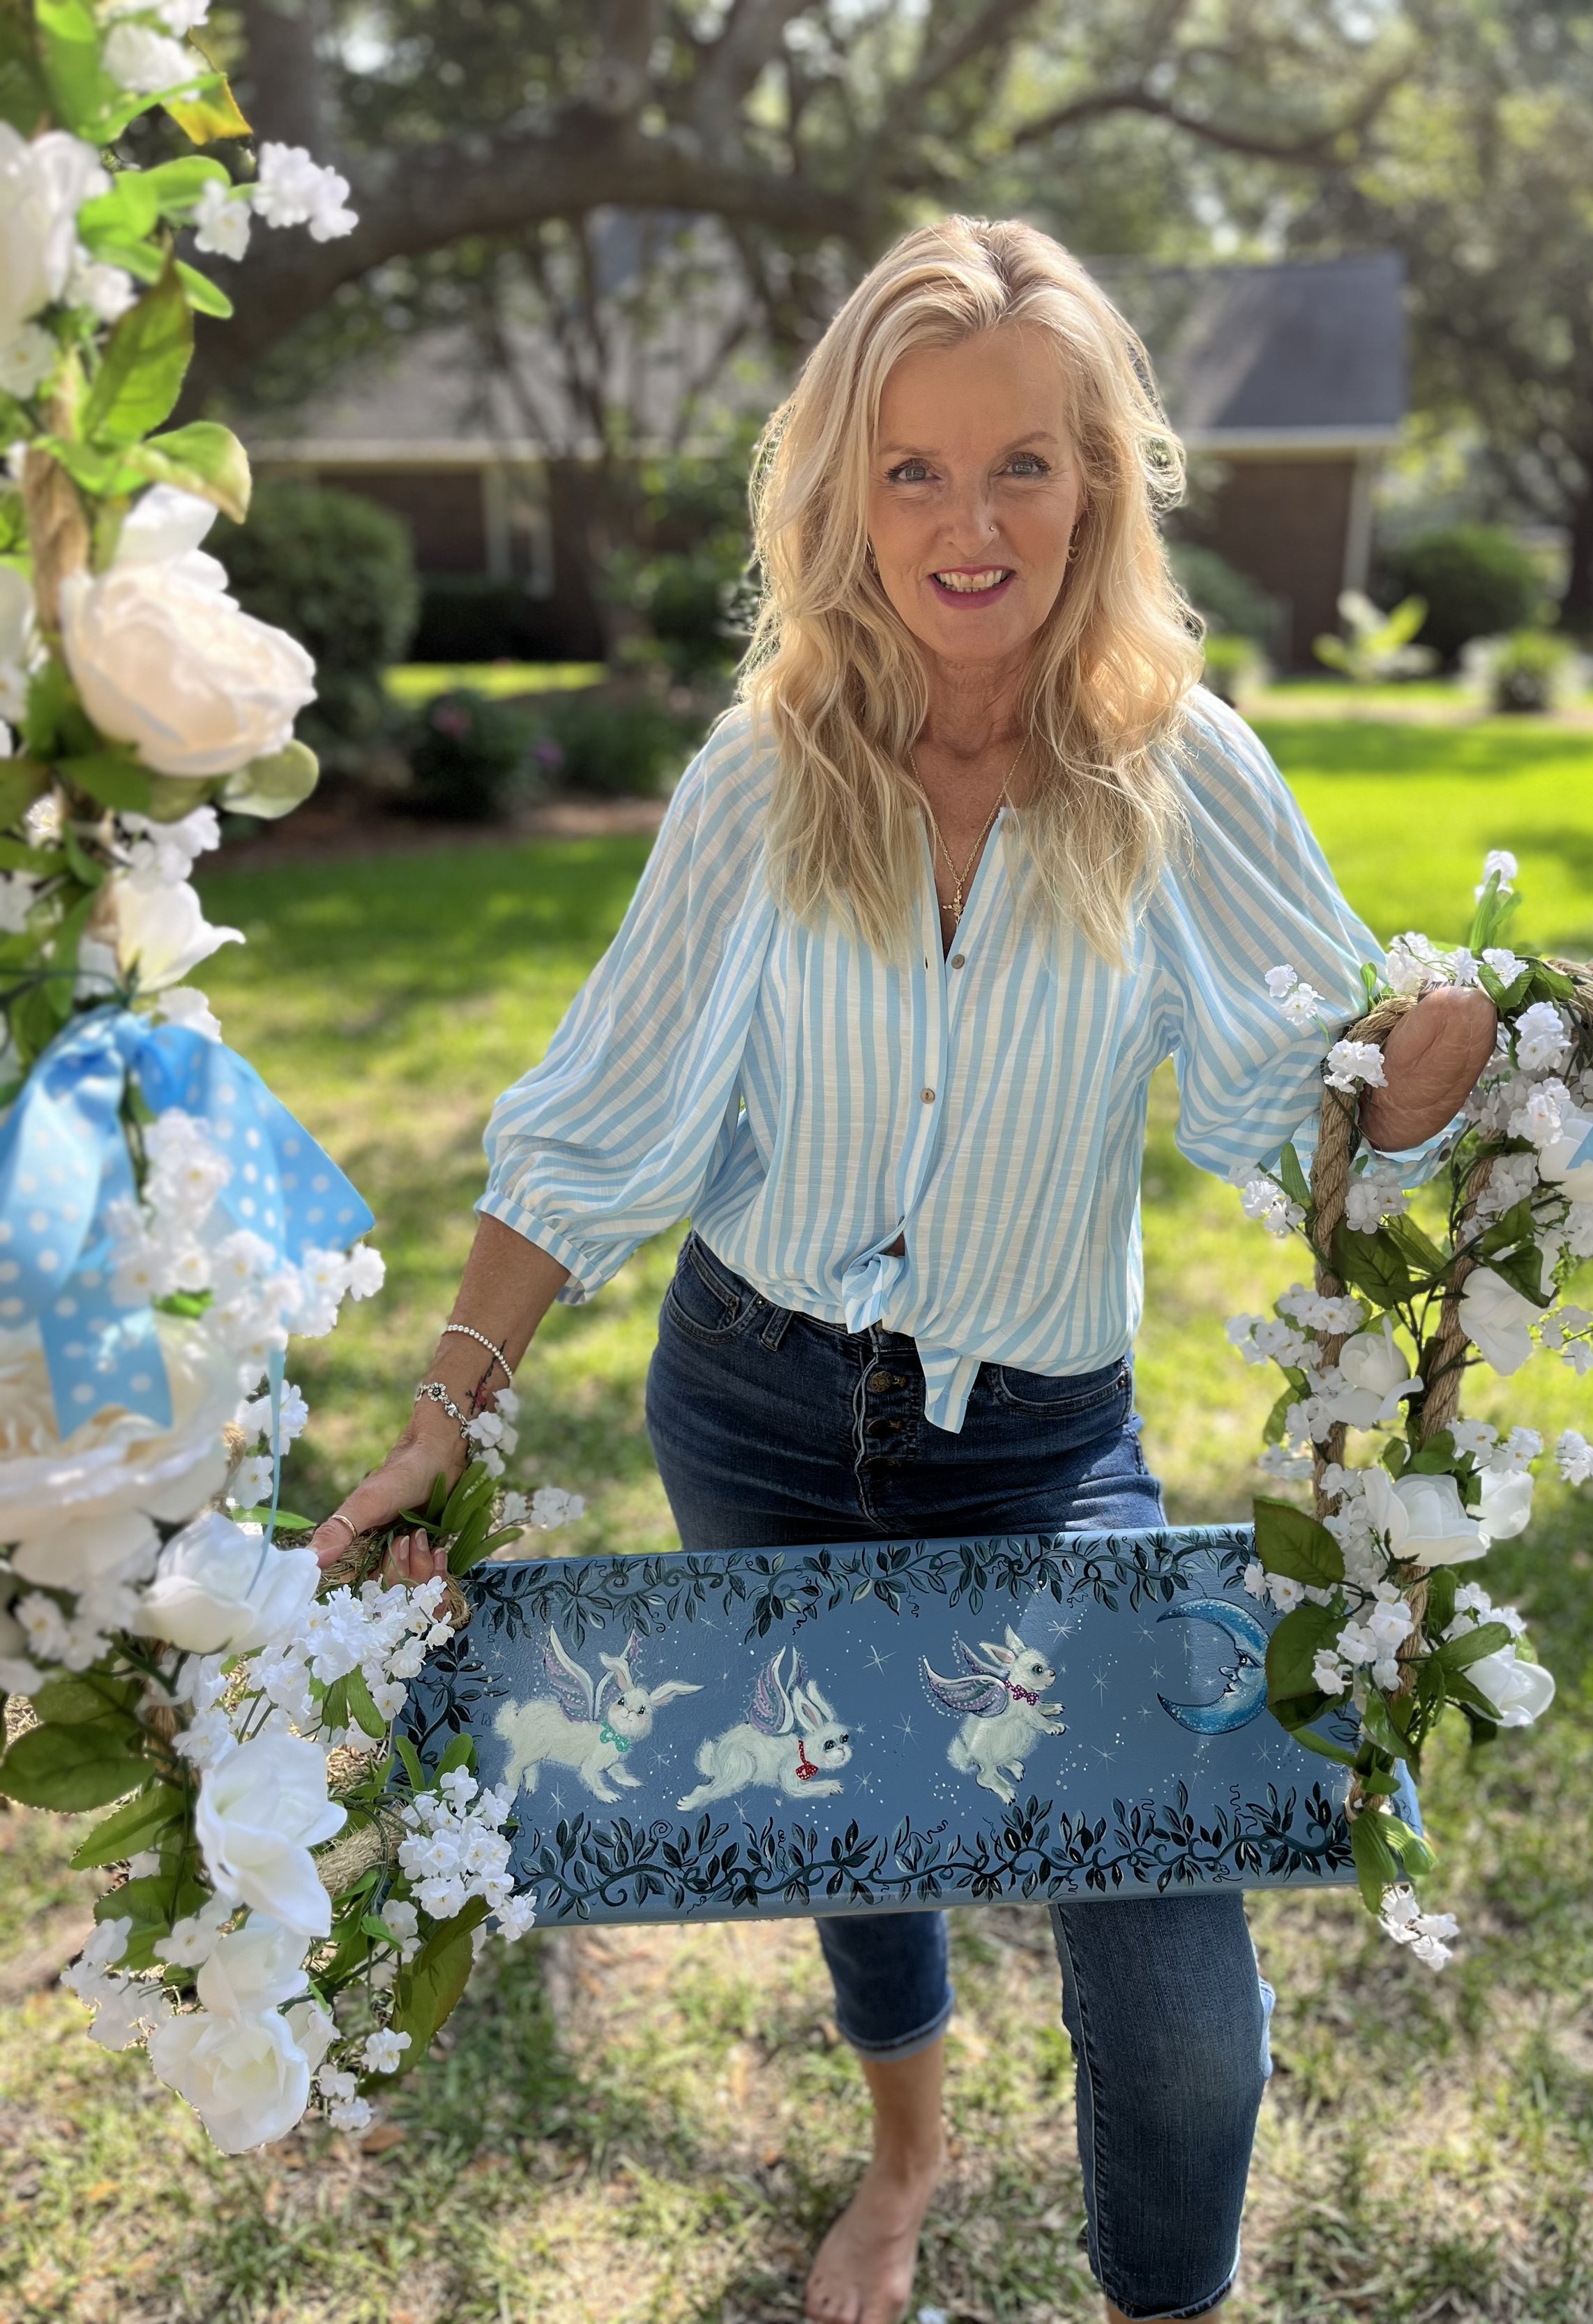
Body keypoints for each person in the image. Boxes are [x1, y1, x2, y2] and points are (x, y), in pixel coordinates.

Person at [313, 217, 1494, 2324]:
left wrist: (1406, 1093)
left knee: (1184, 2008)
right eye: (914, 470)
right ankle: (903, 2166)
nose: (971, 525)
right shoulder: (766, 773)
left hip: (1041, 1450)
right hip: (754, 1405)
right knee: (851, 1843)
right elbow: (598, 1121)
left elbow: (1303, 1099)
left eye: (1022, 463)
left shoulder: (1180, 767)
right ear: (844, 496)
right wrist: (438, 1418)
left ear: (1096, 481)